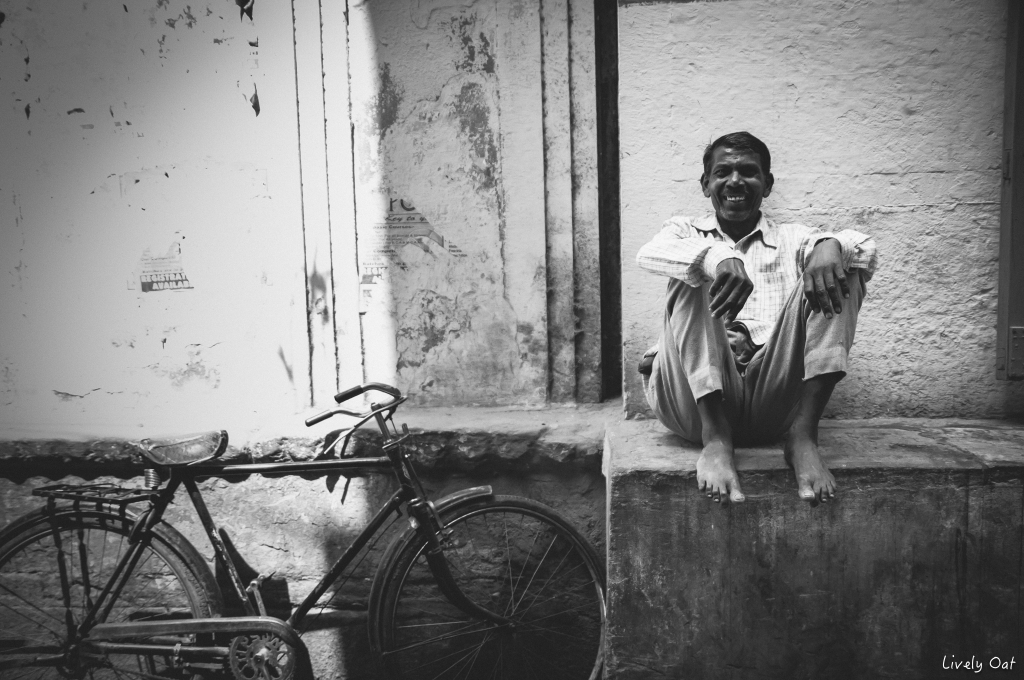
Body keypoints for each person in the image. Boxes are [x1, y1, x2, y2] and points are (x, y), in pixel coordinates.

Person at [637, 131, 877, 505]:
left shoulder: (794, 239)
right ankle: (716, 439)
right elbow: (650, 253)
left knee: (841, 266)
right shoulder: (683, 230)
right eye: (723, 172)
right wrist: (717, 257)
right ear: (705, 184)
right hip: (692, 404)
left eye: (748, 171)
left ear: (767, 184)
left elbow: (865, 249)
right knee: (691, 267)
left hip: (771, 399)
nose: (735, 181)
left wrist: (830, 245)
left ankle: (803, 437)